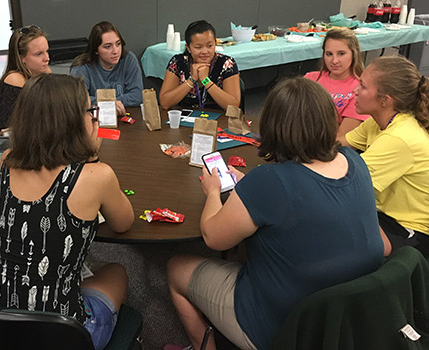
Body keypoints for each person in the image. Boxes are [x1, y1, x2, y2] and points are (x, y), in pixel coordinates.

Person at [165, 77, 387, 350]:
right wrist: (251, 189)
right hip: (350, 316)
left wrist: (212, 192)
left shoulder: (269, 180)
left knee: (176, 268)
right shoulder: (353, 159)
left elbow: (213, 237)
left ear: (271, 125)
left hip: (280, 328)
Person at [0, 74, 134, 350]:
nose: (93, 117)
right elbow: (124, 223)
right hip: (65, 336)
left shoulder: (7, 162)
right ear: (74, 121)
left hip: (0, 324)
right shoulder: (96, 175)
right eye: (89, 111)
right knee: (117, 272)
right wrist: (92, 156)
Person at [341, 55, 429, 257]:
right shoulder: (379, 122)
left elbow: (347, 186)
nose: (355, 91)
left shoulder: (399, 138)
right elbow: (338, 146)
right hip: (382, 214)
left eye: (362, 86)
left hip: (411, 231)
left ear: (385, 100)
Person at [0, 25, 51, 176]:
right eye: (39, 54)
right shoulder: (14, 80)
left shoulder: (43, 72)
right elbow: (10, 130)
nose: (47, 58)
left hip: (25, 150)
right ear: (21, 58)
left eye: (47, 51)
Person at [159, 20, 240, 111]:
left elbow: (233, 106)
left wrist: (206, 81)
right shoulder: (178, 62)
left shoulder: (227, 63)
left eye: (210, 46)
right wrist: (192, 79)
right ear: (188, 48)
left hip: (219, 119)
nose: (205, 52)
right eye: (198, 47)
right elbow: (165, 103)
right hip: (185, 118)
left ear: (215, 43)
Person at [304, 27, 369, 140]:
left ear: (354, 54)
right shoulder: (310, 79)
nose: (334, 61)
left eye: (341, 54)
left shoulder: (361, 89)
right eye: (329, 54)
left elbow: (341, 138)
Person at [70, 21, 143, 116]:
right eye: (108, 47)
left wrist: (110, 103)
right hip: (94, 119)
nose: (115, 51)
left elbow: (137, 96)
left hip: (125, 115)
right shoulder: (81, 67)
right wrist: (111, 104)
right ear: (96, 50)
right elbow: (80, 100)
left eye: (118, 44)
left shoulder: (128, 59)